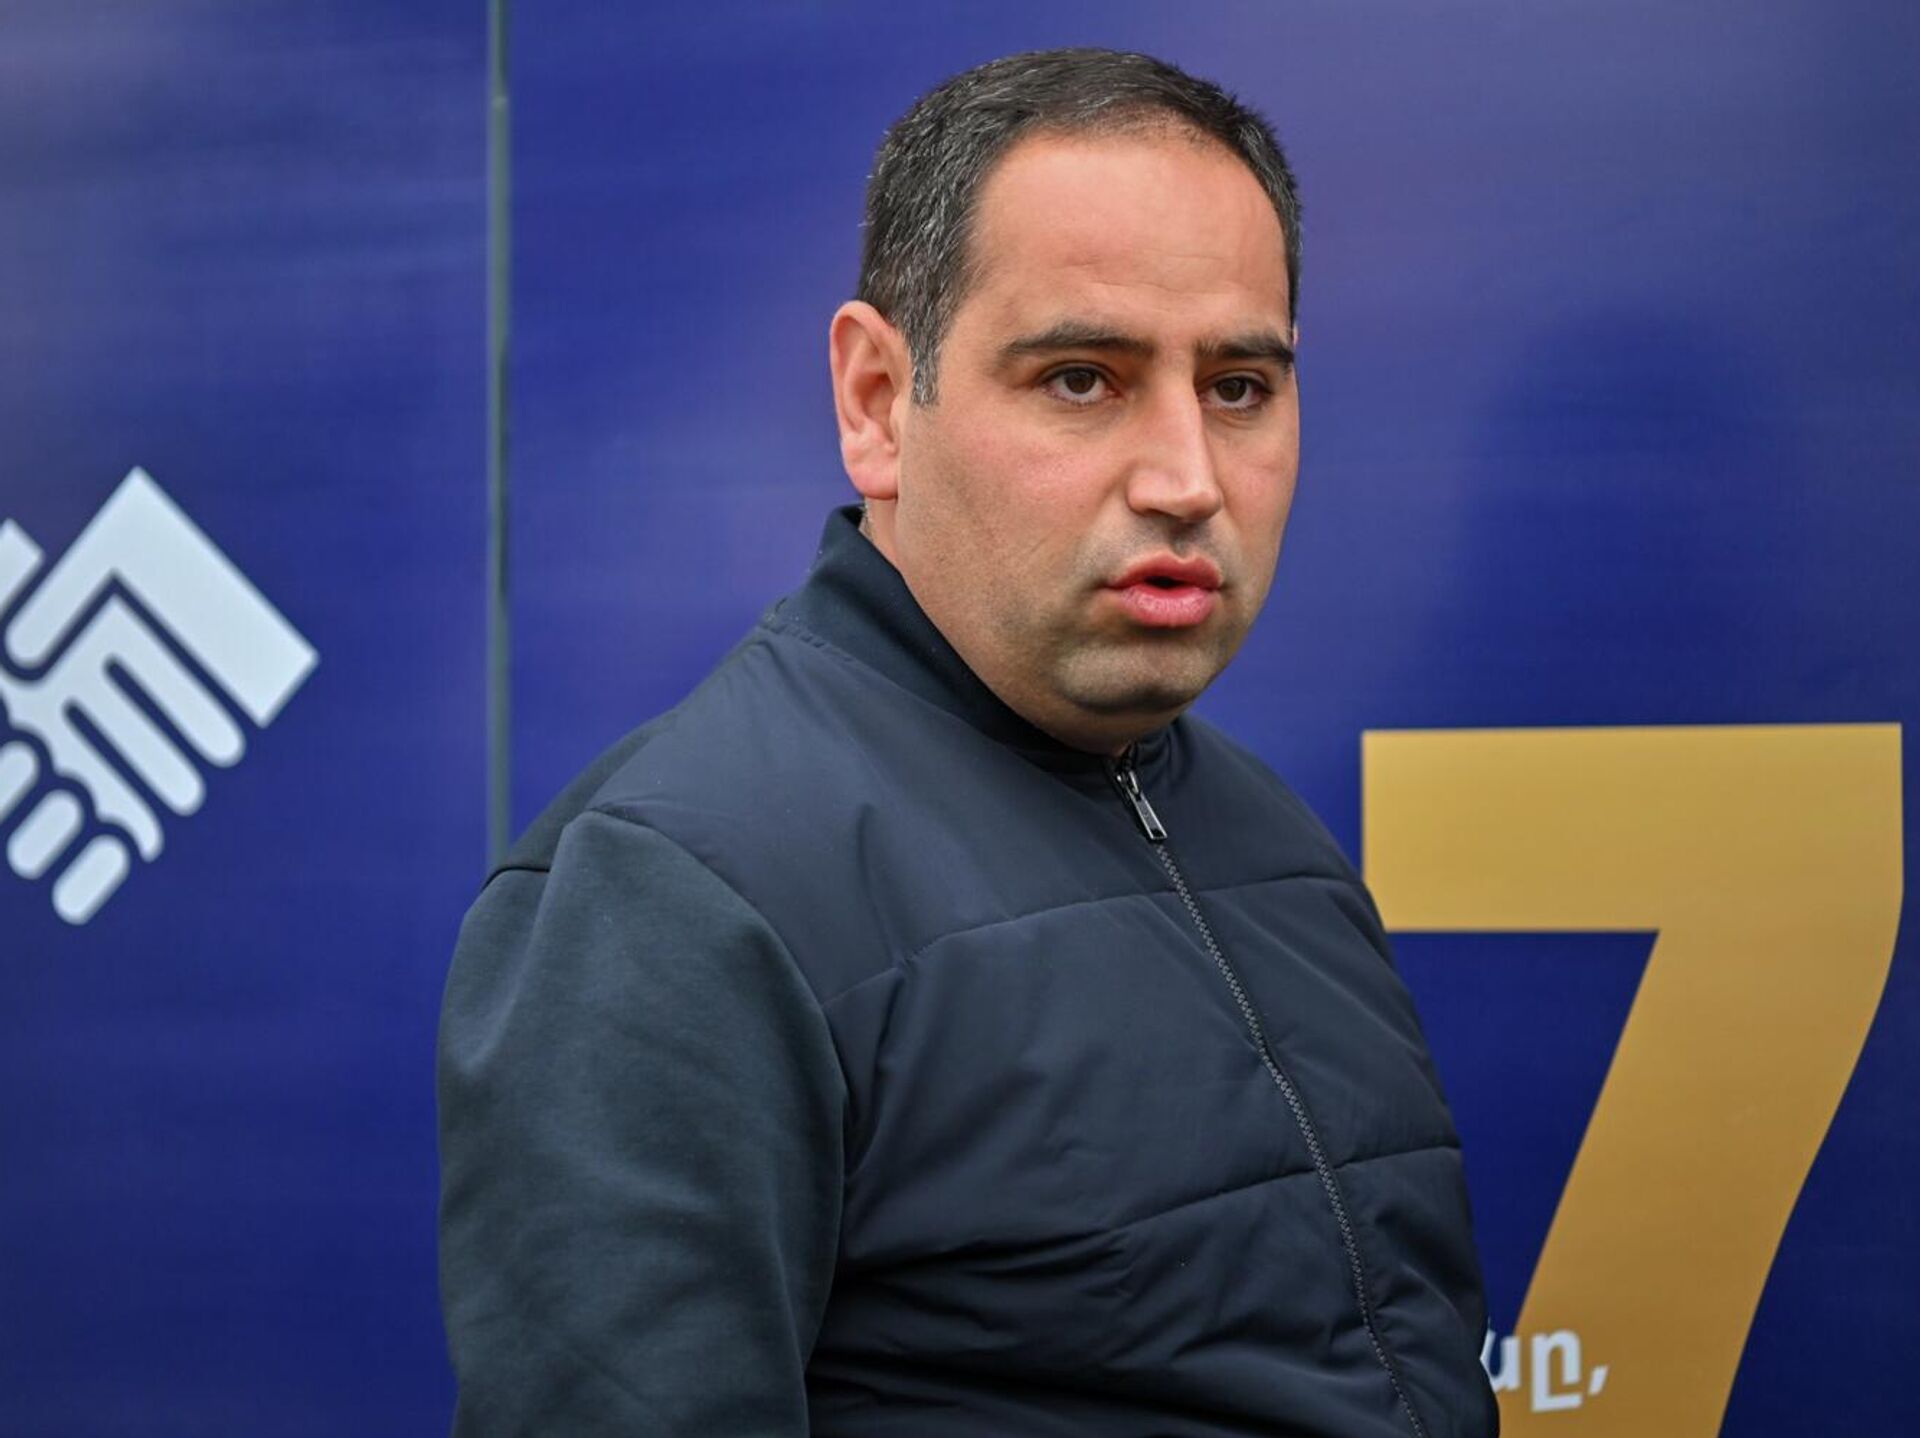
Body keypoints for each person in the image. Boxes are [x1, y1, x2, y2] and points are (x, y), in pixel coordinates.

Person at [438, 47, 1497, 1438]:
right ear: (879, 402)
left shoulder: (1271, 834)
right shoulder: (680, 897)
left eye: (1239, 386)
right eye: (1083, 378)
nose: (1187, 478)